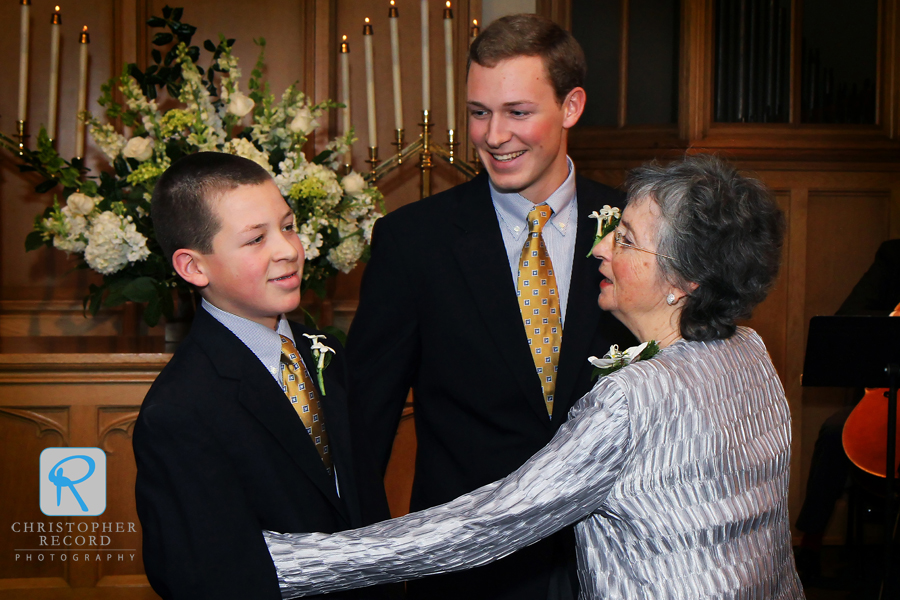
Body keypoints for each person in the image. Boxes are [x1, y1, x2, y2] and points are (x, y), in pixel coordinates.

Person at [264, 155, 805, 600]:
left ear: (684, 279)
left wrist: (287, 561)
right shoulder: (747, 352)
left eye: (626, 239)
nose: (599, 247)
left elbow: (485, 526)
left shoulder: (632, 397)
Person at [345, 14, 633, 600]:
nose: (493, 135)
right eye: (479, 112)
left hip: (617, 554)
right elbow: (364, 424)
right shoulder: (413, 242)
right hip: (467, 568)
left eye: (517, 112)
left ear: (571, 106)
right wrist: (362, 567)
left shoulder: (637, 228)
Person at [132, 153, 389, 600]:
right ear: (194, 267)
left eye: (288, 226)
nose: (288, 249)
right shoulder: (179, 411)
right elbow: (201, 574)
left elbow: (362, 498)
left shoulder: (322, 352)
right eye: (255, 239)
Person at [794, 238, 900, 582]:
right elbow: (849, 315)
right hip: (889, 394)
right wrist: (894, 317)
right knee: (835, 431)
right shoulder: (895, 256)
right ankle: (810, 542)